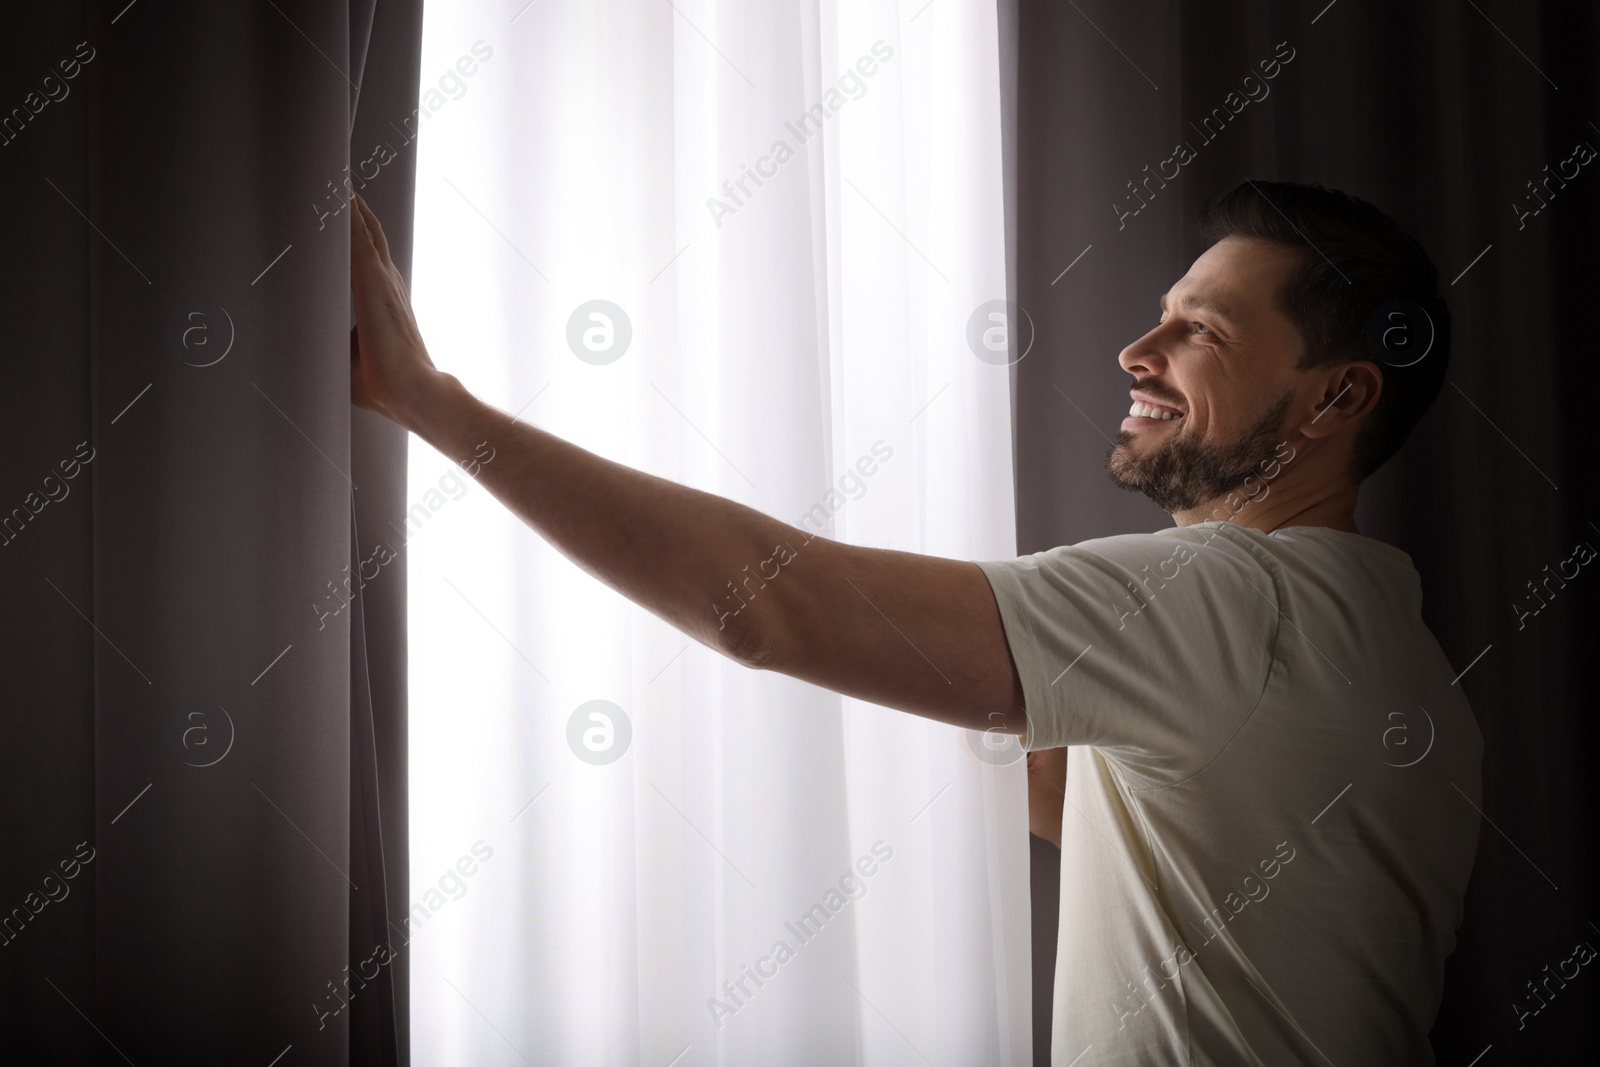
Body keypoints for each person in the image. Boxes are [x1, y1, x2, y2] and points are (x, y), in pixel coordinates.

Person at [348, 179, 1481, 1065]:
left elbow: (765, 606)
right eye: (1159, 316)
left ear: (1337, 398)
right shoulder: (1399, 647)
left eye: (1201, 331)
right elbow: (1120, 817)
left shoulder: (1226, 596)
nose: (1138, 352)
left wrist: (426, 398)